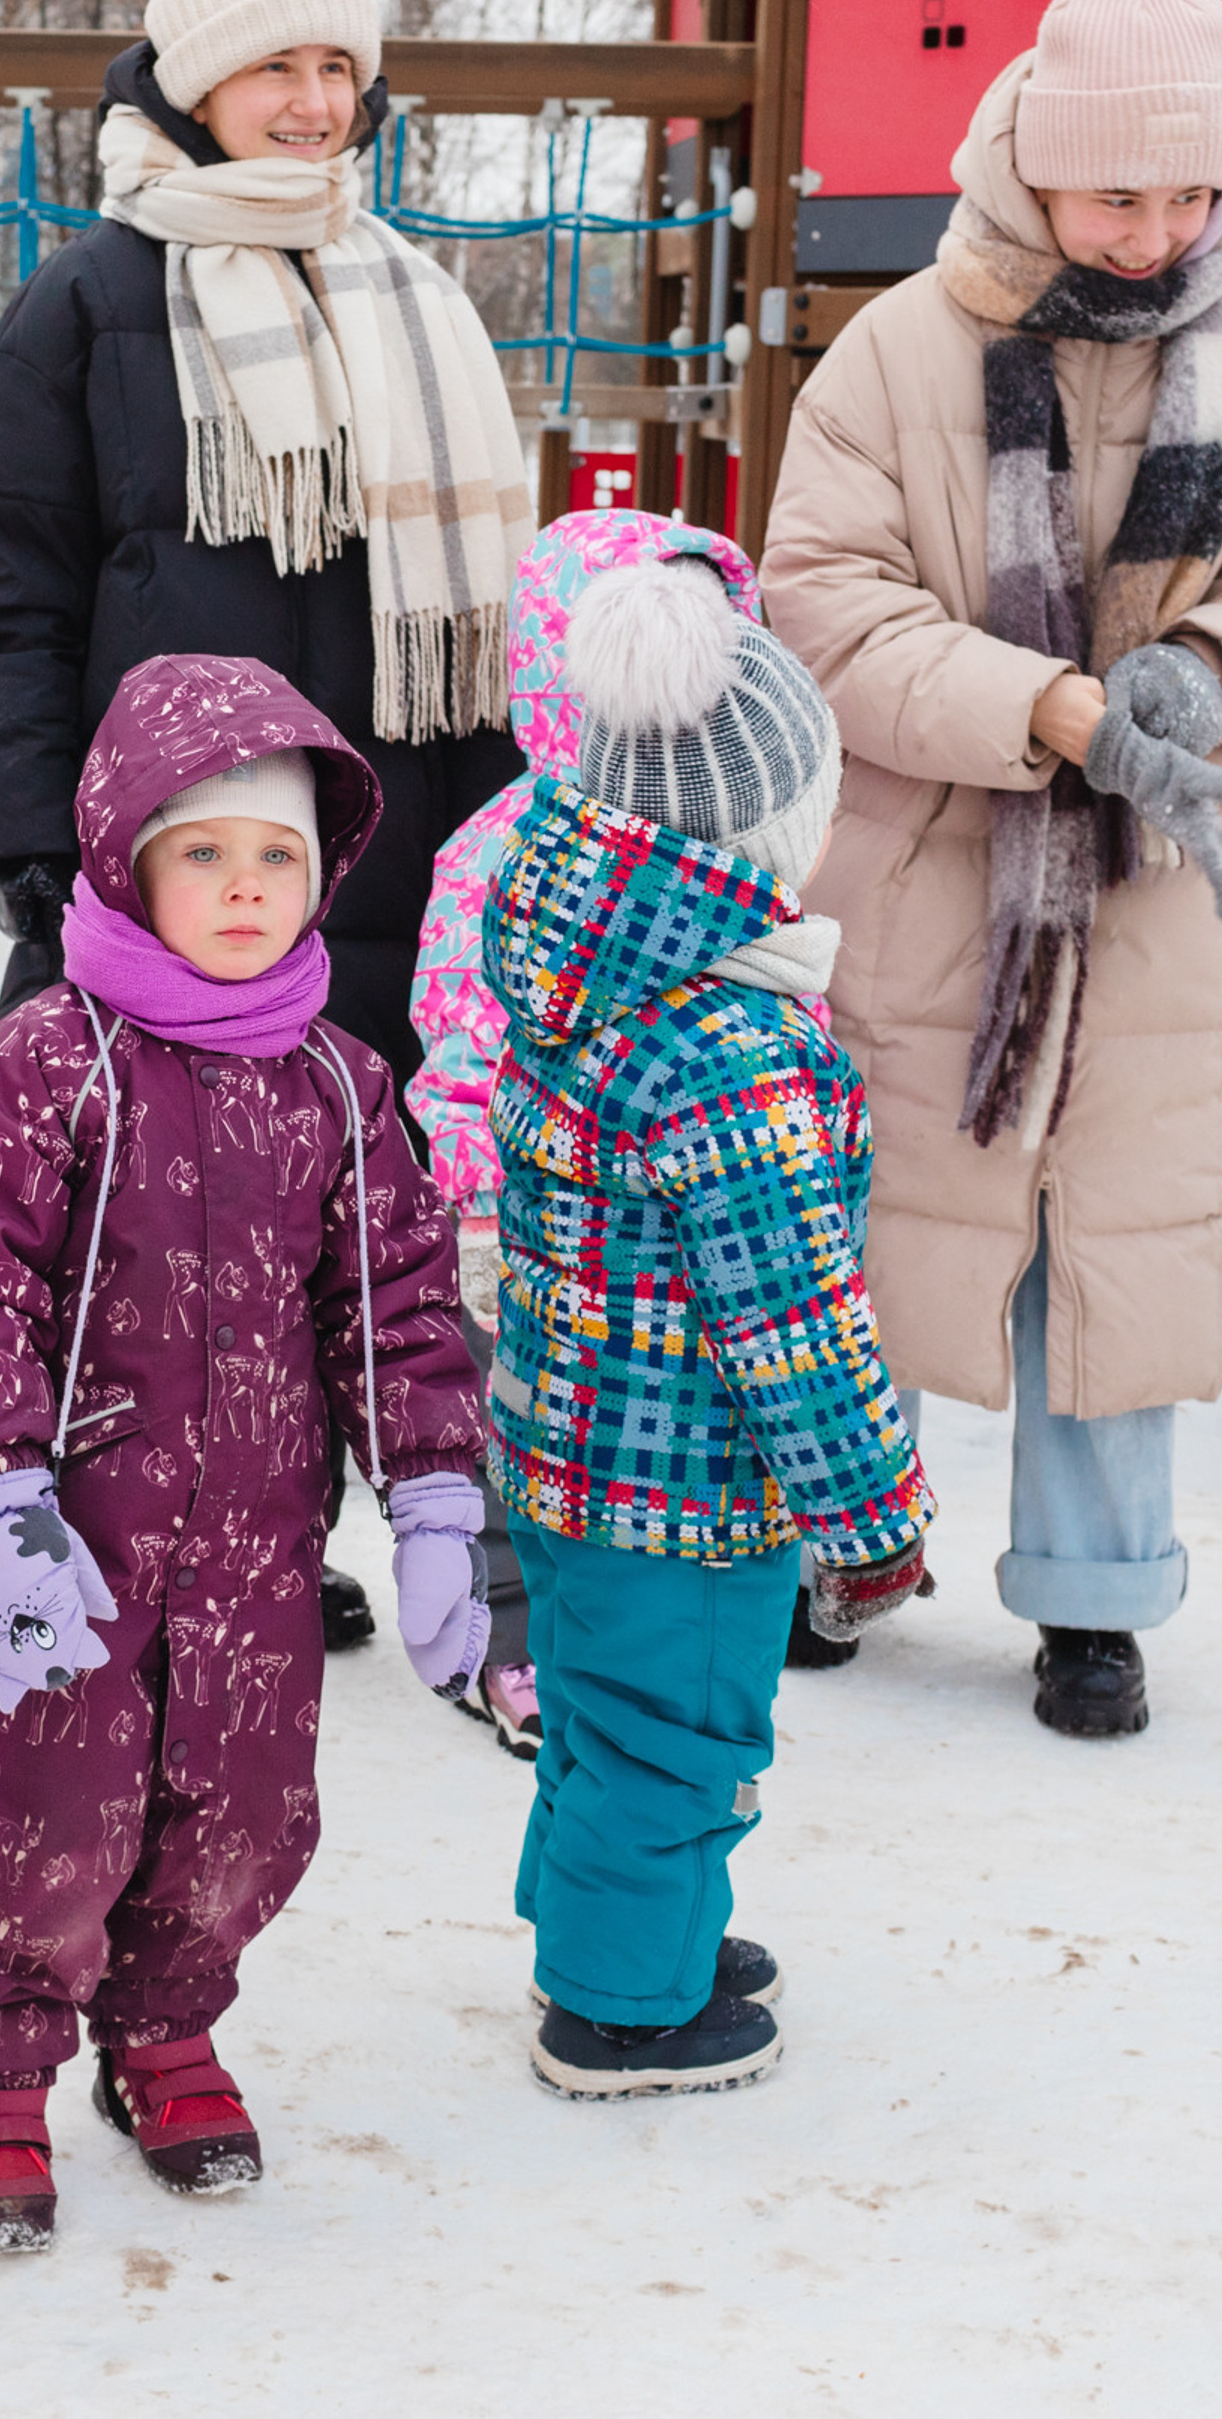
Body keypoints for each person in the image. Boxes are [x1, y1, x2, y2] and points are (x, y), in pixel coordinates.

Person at [761, 0, 1222, 1735]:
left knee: (1121, 1238)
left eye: (1191, 191)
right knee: (879, 1228)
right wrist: (1034, 708)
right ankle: (836, 1541)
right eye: (1118, 190)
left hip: (1159, 884)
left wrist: (1205, 668)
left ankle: (1096, 1596)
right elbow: (824, 594)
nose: (1153, 229)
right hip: (936, 868)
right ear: (1030, 160)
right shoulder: (897, 351)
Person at [0, 0, 536, 1653]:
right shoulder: (88, 304)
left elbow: (477, 607)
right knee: (162, 1236)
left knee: (371, 1218)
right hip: (174, 864)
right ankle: (182, 1536)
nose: (312, 100)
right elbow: (11, 597)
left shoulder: (415, 304)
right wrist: (32, 848)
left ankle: (401, 1528)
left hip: (395, 835)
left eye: (338, 67)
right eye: (276, 64)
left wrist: (505, 834)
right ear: (198, 80)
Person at [0, 652, 489, 2251]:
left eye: (279, 855)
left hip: (254, 1557)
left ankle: (164, 2029)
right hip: (60, 1551)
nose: (244, 887)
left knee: (239, 1815)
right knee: (49, 1816)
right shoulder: (35, 1071)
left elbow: (401, 1302)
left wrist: (432, 1495)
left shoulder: (342, 1091)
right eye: (205, 851)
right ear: (127, 857)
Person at [483, 545, 935, 2099]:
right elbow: (793, 1324)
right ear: (763, 831)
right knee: (680, 1739)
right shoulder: (734, 1047)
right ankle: (621, 2006)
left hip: (562, 1455)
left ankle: (608, 1923)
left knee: (607, 1721)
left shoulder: (579, 961)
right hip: (686, 1491)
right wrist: (871, 1512)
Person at [407, 510, 768, 1755]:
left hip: (666, 1213)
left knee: (640, 1420)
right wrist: (469, 1188)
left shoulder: (731, 846)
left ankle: (648, 1614)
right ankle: (509, 1639)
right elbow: (456, 1026)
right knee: (513, 1422)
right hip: (523, 1204)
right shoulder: (505, 847)